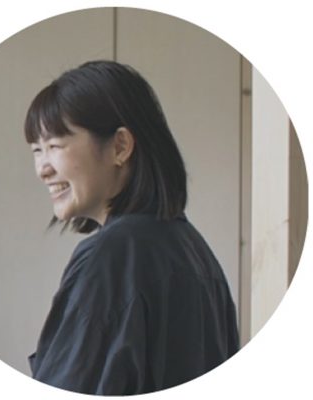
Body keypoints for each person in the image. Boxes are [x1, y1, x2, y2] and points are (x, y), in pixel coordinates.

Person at [24, 60, 239, 395]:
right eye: (37, 150)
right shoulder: (196, 251)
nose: (42, 169)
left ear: (120, 147)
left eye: (55, 146)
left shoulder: (112, 256)